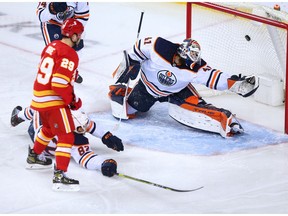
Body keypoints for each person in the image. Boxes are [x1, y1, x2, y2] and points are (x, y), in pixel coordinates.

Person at [109, 37, 259, 138]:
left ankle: (227, 120)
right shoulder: (158, 46)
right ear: (181, 53)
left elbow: (215, 77)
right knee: (127, 111)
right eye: (189, 58)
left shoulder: (195, 67)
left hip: (178, 90)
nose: (192, 62)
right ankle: (122, 92)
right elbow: (136, 50)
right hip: (147, 88)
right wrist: (132, 63)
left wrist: (237, 85)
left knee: (196, 105)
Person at [28, 18, 85, 191]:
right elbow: (59, 83)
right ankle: (60, 176)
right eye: (79, 35)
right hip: (52, 100)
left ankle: (34, 157)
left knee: (48, 129)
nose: (80, 38)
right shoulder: (69, 53)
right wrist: (72, 100)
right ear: (73, 35)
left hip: (39, 97)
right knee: (67, 136)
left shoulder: (51, 46)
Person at [10, 106, 123, 178]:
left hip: (39, 133)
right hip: (38, 133)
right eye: (80, 129)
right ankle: (19, 116)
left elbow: (85, 124)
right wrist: (103, 164)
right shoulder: (75, 141)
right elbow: (87, 158)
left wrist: (105, 136)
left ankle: (18, 116)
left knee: (39, 106)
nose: (84, 129)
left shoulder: (62, 122)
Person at [36, 2, 90, 83]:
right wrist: (51, 9)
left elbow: (83, 16)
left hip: (71, 23)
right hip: (51, 24)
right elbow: (40, 16)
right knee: (55, 53)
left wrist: (74, 28)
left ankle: (71, 70)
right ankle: (48, 70)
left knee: (77, 50)